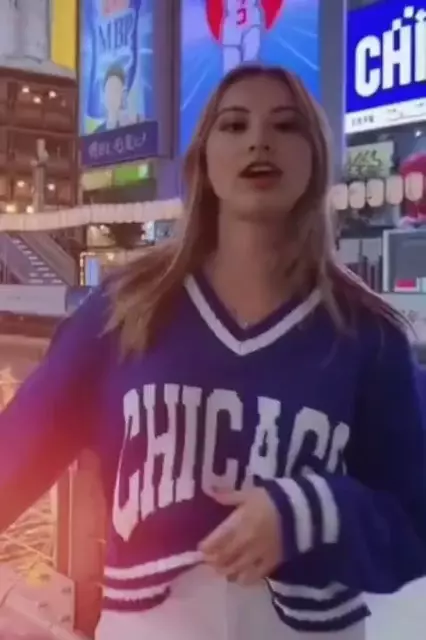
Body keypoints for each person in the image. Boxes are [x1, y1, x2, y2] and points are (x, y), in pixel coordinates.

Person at [1, 64, 426, 640]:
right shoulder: (124, 310)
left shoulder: (368, 333)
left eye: (286, 125)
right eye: (234, 124)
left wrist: (308, 511)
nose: (259, 140)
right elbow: (18, 453)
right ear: (202, 158)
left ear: (316, 157)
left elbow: (413, 522)